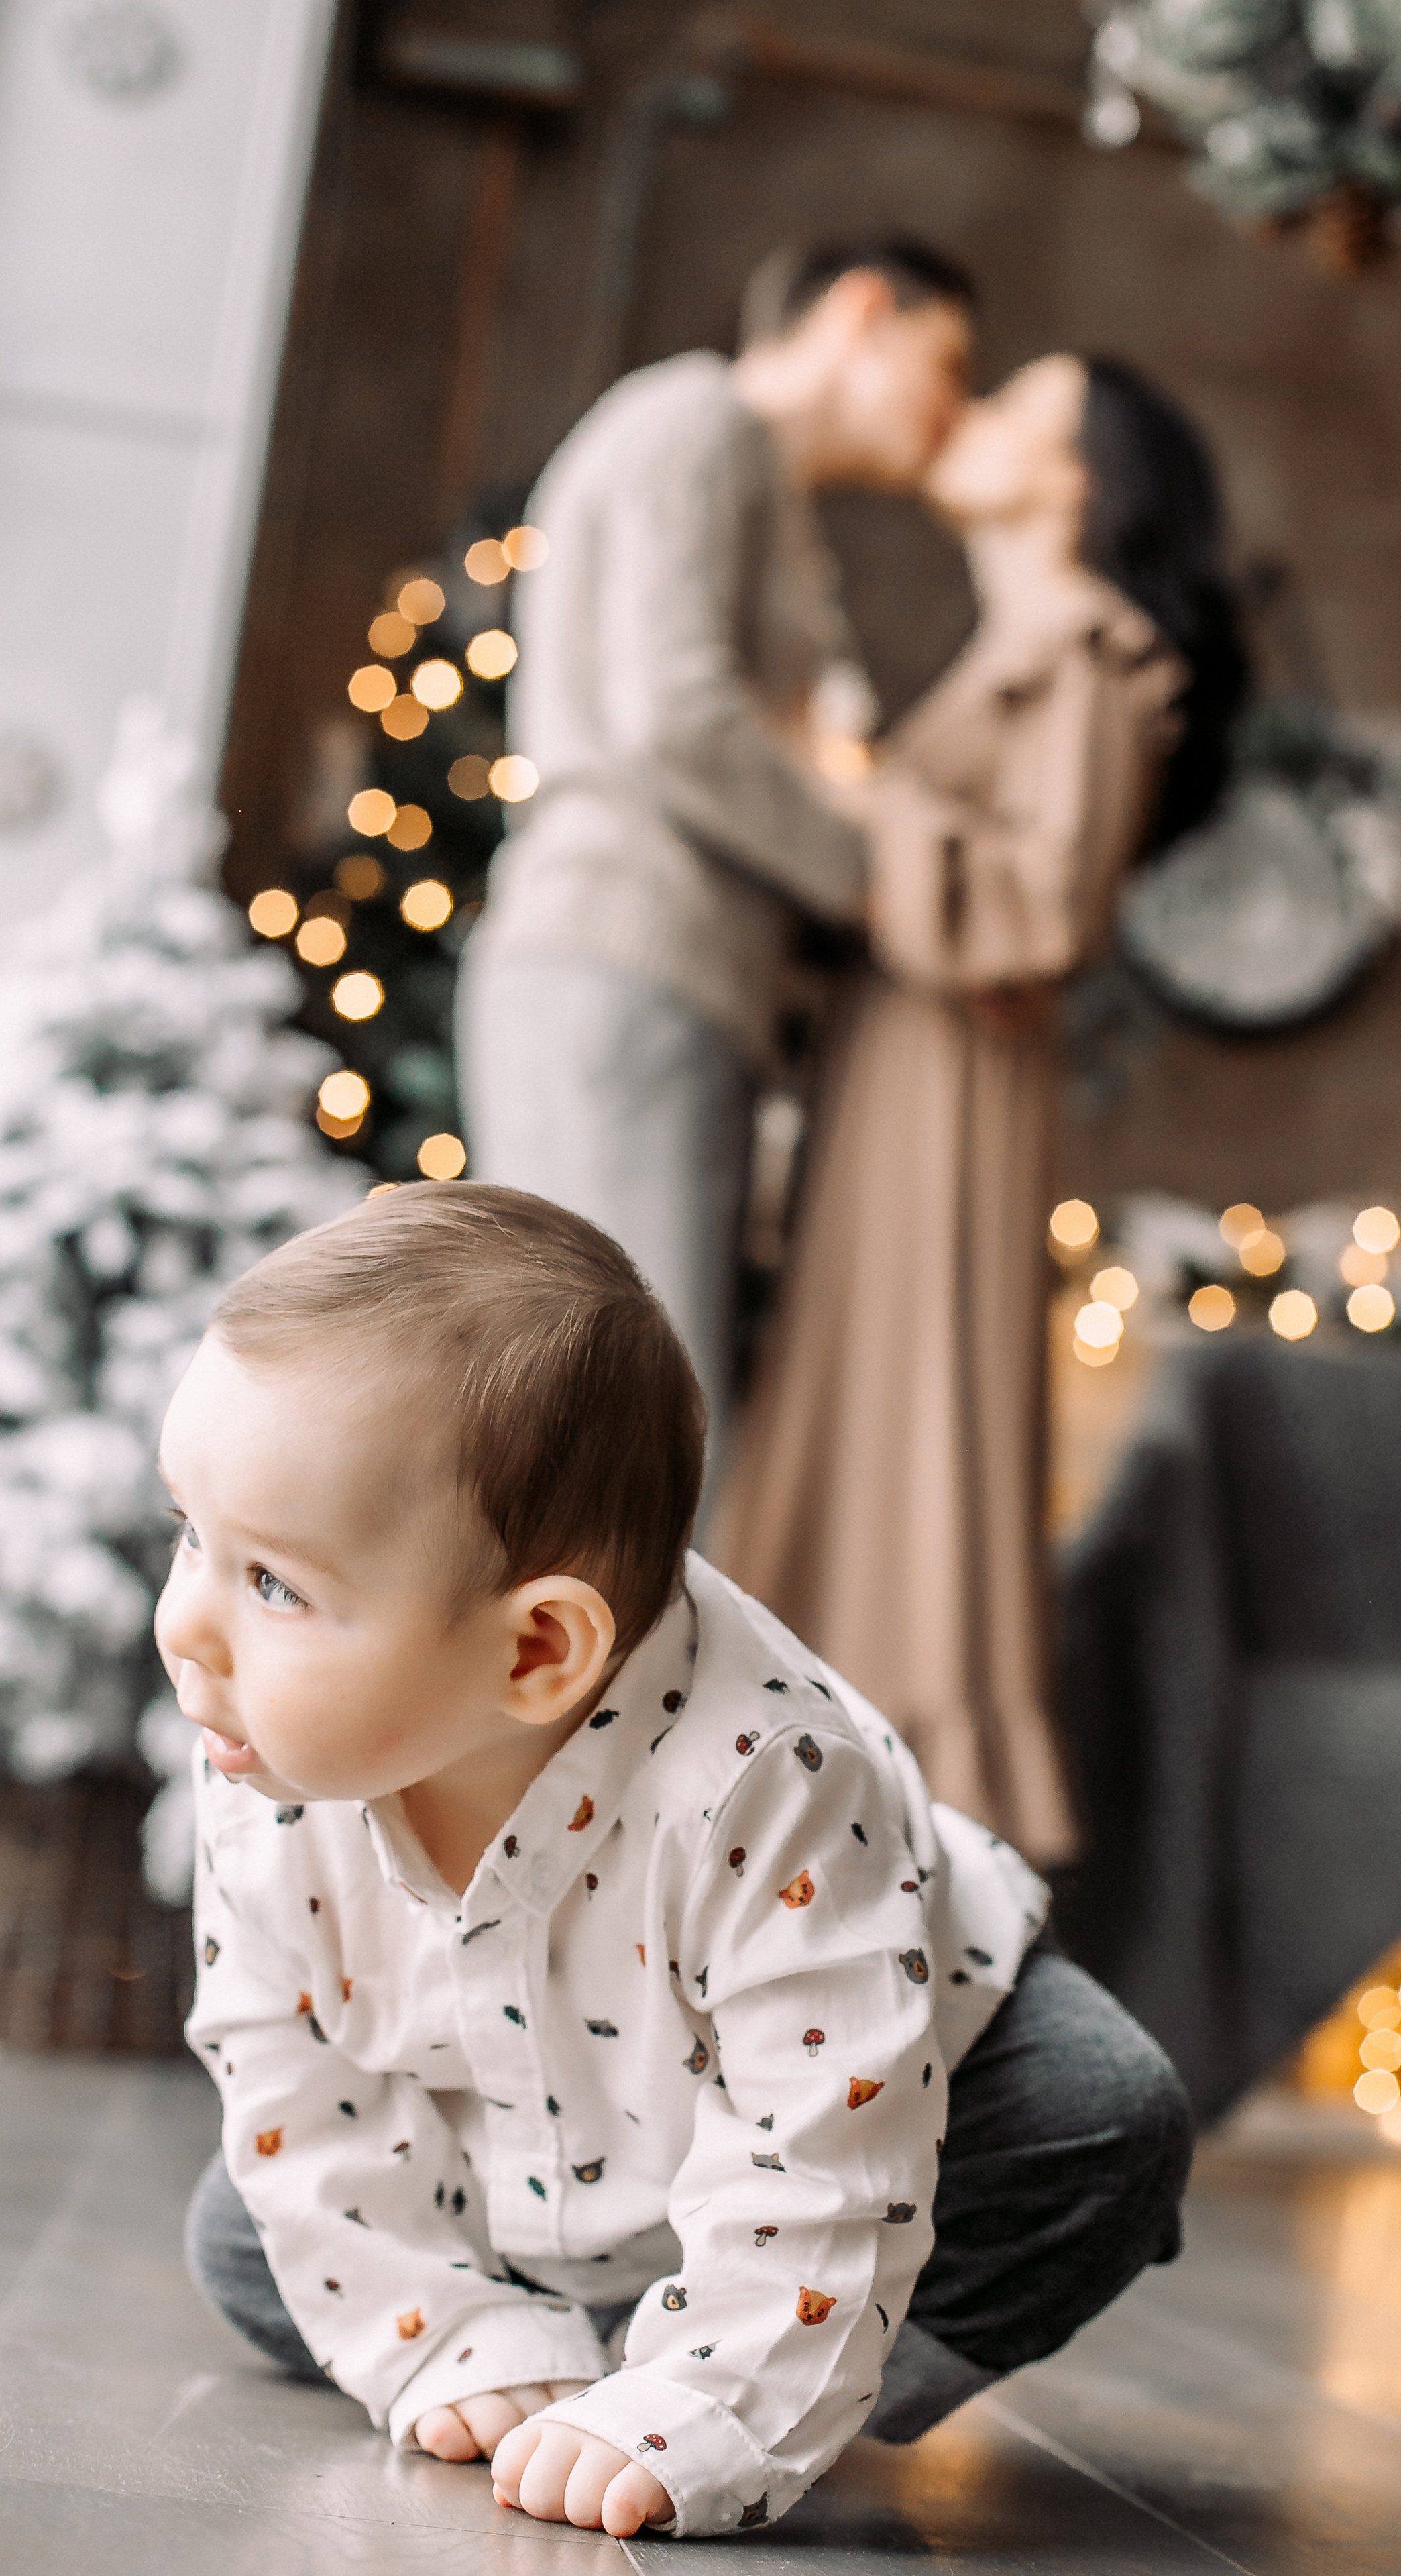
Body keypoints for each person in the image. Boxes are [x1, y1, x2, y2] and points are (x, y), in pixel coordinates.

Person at [169, 1184, 1192, 2540]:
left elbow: (825, 2143)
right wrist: (447, 2333)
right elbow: (288, 2071)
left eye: (276, 1586)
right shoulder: (270, 1746)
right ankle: (576, 2335)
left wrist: (710, 2412)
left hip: (880, 2086)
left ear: (535, 1651)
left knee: (1105, 2121)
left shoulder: (763, 1783)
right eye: (193, 1538)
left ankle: (756, 2363)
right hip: (538, 2147)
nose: (190, 1628)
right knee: (247, 2236)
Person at [716, 356, 1248, 1869]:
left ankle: (877, 1817)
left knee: (907, 1416)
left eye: (1021, 404)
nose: (976, 415)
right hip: (912, 1067)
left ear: (1080, 481)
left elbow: (1034, 912)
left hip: (947, 1085)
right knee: (868, 1410)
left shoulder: (1089, 654)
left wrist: (859, 786)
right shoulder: (1033, 647)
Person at [455, 237, 976, 1460]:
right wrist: (872, 883)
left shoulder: (756, 482)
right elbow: (673, 715)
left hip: (656, 975)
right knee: (629, 1434)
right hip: (628, 961)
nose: (949, 409)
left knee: (609, 1422)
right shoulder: (699, 423)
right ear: (860, 315)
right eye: (944, 361)